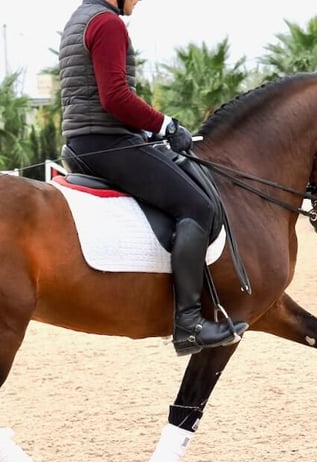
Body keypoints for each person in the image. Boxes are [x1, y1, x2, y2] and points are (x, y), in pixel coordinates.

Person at [59, 0, 247, 356]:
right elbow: (114, 97)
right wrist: (165, 125)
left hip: (85, 140)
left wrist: (145, 134)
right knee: (197, 206)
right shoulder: (107, 23)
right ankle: (189, 323)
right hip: (107, 143)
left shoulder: (78, 20)